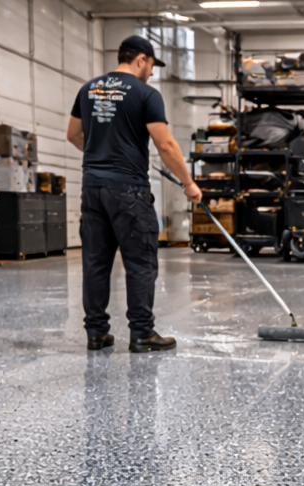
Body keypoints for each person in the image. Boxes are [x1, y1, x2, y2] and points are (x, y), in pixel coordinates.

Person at [67, 35, 202, 352]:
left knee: (96, 262)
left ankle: (96, 334)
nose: (152, 73)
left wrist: (103, 153)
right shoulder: (146, 94)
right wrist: (188, 183)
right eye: (152, 65)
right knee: (140, 262)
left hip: (92, 188)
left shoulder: (88, 90)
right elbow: (165, 144)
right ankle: (142, 334)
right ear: (141, 59)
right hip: (128, 190)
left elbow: (74, 135)